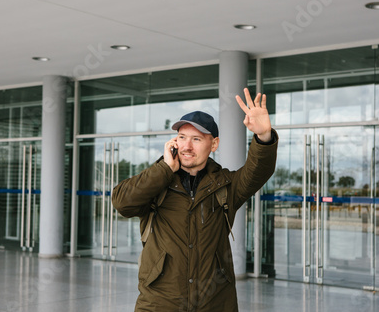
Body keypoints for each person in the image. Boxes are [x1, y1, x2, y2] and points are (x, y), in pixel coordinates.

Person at [112, 88, 278, 311]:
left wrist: (263, 137)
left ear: (214, 144)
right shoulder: (156, 181)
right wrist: (164, 169)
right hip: (159, 303)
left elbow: (258, 171)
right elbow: (122, 202)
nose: (186, 146)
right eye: (182, 138)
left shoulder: (226, 185)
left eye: (197, 139)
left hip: (214, 302)